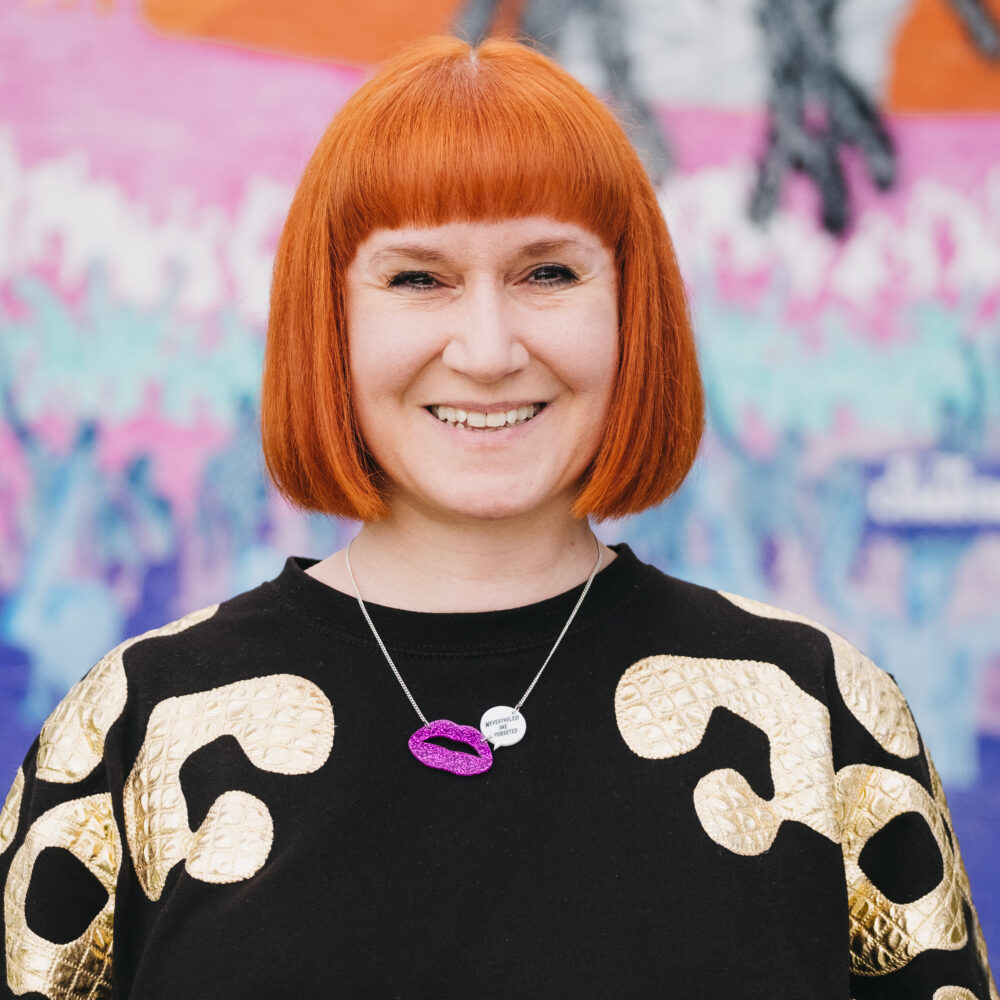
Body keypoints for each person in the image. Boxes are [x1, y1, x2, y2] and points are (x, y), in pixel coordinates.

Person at [0, 34, 994, 1000]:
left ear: (630, 310)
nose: (485, 348)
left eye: (547, 273)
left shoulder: (817, 712)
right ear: (329, 318)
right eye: (418, 278)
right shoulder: (131, 729)